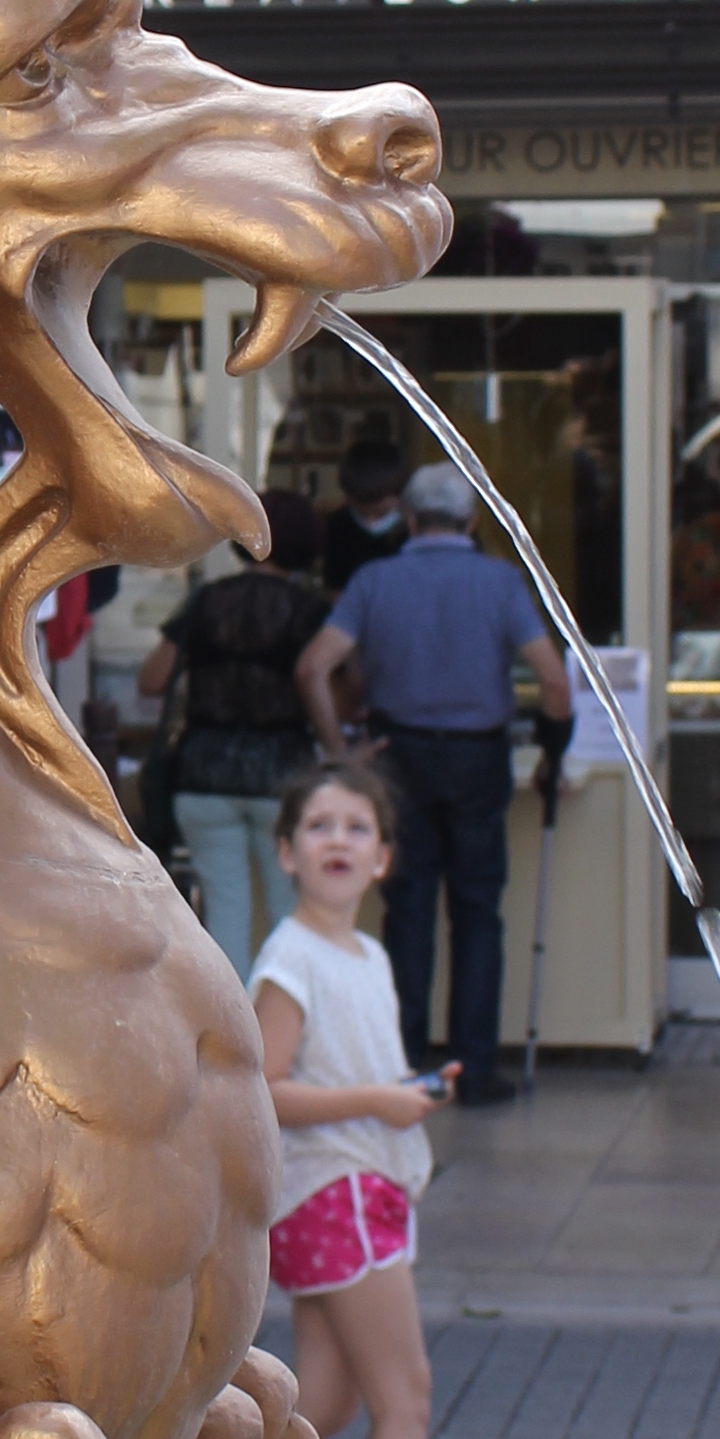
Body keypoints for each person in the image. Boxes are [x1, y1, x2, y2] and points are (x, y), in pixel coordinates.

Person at [252, 754, 545, 1439]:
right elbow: (261, 1090)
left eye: (356, 827)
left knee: (322, 1406)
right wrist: (378, 1102)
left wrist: (398, 1093)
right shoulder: (290, 960)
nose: (338, 839)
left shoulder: (364, 953)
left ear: (383, 857)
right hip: (333, 1192)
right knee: (404, 1399)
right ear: (286, 852)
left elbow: (343, 1076)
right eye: (319, 826)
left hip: (356, 1188)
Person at [297, 463, 571, 1106]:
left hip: (397, 758)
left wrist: (341, 756)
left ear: (410, 519)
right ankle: (475, 1069)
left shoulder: (374, 580)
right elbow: (555, 682)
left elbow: (314, 667)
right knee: (478, 912)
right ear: (473, 521)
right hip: (478, 758)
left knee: (407, 911)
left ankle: (406, 1062)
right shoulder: (501, 583)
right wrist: (553, 753)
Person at [135, 486, 327, 976]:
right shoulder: (307, 610)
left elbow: (153, 679)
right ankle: (292, 1036)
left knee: (224, 913)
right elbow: (328, 685)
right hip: (283, 774)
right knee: (290, 911)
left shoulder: (206, 602)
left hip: (204, 772)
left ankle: (233, 1041)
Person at [319, 433, 413, 597]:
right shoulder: (338, 526)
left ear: (398, 493)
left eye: (378, 510)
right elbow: (334, 588)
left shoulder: (416, 528)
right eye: (361, 509)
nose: (370, 518)